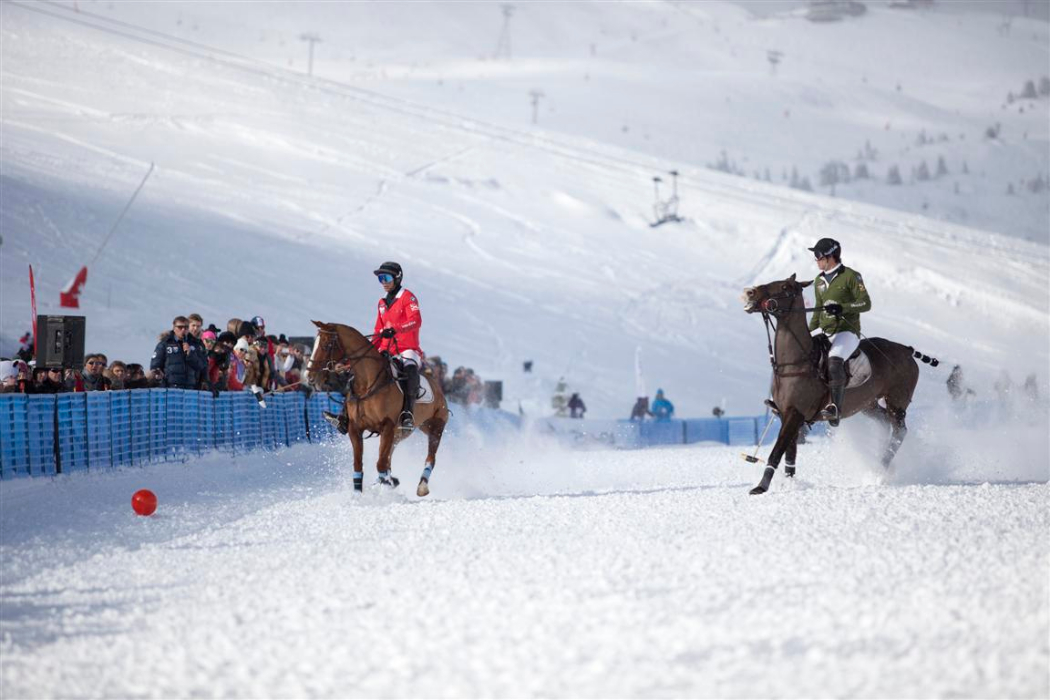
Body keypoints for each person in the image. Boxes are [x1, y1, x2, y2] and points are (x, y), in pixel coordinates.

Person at [807, 237, 871, 427]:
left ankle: (835, 408)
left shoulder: (851, 276)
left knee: (834, 360)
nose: (816, 260)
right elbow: (818, 310)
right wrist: (807, 335)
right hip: (825, 331)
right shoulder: (818, 281)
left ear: (830, 256)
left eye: (818, 256)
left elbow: (865, 303)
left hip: (846, 332)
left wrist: (842, 307)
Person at [370, 262, 425, 427]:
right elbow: (378, 330)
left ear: (397, 278)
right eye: (380, 279)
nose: (384, 282)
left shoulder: (408, 297)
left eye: (386, 278)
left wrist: (395, 329)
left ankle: (408, 413)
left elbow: (416, 320)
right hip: (386, 350)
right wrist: (369, 349)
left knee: (410, 369)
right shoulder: (381, 303)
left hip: (407, 350)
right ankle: (346, 415)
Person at [150, 316, 207, 390]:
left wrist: (190, 355)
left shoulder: (195, 344)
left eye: (186, 327)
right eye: (180, 327)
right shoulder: (165, 344)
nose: (183, 330)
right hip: (170, 388)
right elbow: (155, 367)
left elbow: (202, 366)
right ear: (174, 328)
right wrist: (162, 382)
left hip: (190, 389)